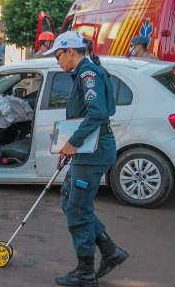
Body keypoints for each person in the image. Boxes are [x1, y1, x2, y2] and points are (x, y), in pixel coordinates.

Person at [44, 31, 129, 287]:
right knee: (71, 202)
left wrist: (73, 143)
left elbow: (98, 113)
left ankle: (85, 273)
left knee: (77, 210)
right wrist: (68, 146)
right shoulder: (84, 73)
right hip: (87, 151)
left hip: (93, 151)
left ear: (71, 51)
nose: (56, 60)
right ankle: (110, 250)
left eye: (58, 55)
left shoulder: (88, 74)